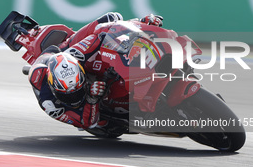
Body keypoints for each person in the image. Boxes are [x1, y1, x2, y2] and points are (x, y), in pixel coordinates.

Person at [28, 12, 163, 130]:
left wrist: (141, 24)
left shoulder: (78, 53)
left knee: (111, 18)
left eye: (76, 91)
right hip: (88, 103)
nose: (75, 97)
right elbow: (85, 122)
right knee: (102, 124)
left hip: (65, 52)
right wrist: (92, 99)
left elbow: (104, 32)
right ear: (53, 87)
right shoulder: (50, 104)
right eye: (69, 95)